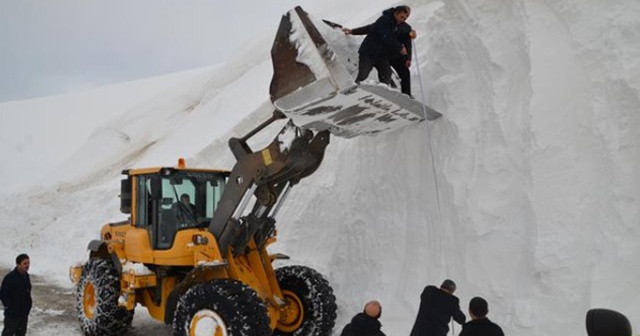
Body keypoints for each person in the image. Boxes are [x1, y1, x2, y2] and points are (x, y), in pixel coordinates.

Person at [343, 6, 416, 96]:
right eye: (401, 17)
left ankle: (385, 96)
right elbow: (385, 36)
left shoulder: (404, 26)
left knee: (386, 75)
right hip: (368, 52)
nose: (403, 20)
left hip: (382, 55)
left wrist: (408, 57)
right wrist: (353, 31)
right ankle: (352, 93)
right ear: (395, 13)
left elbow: (407, 41)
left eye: (405, 18)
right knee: (363, 75)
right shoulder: (384, 20)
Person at [0, 254, 32, 336]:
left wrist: (28, 306)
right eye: (25, 263)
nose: (27, 265)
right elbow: (3, 294)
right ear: (18, 264)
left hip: (23, 314)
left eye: (28, 263)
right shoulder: (10, 278)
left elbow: (28, 293)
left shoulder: (26, 277)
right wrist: (10, 308)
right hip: (12, 316)